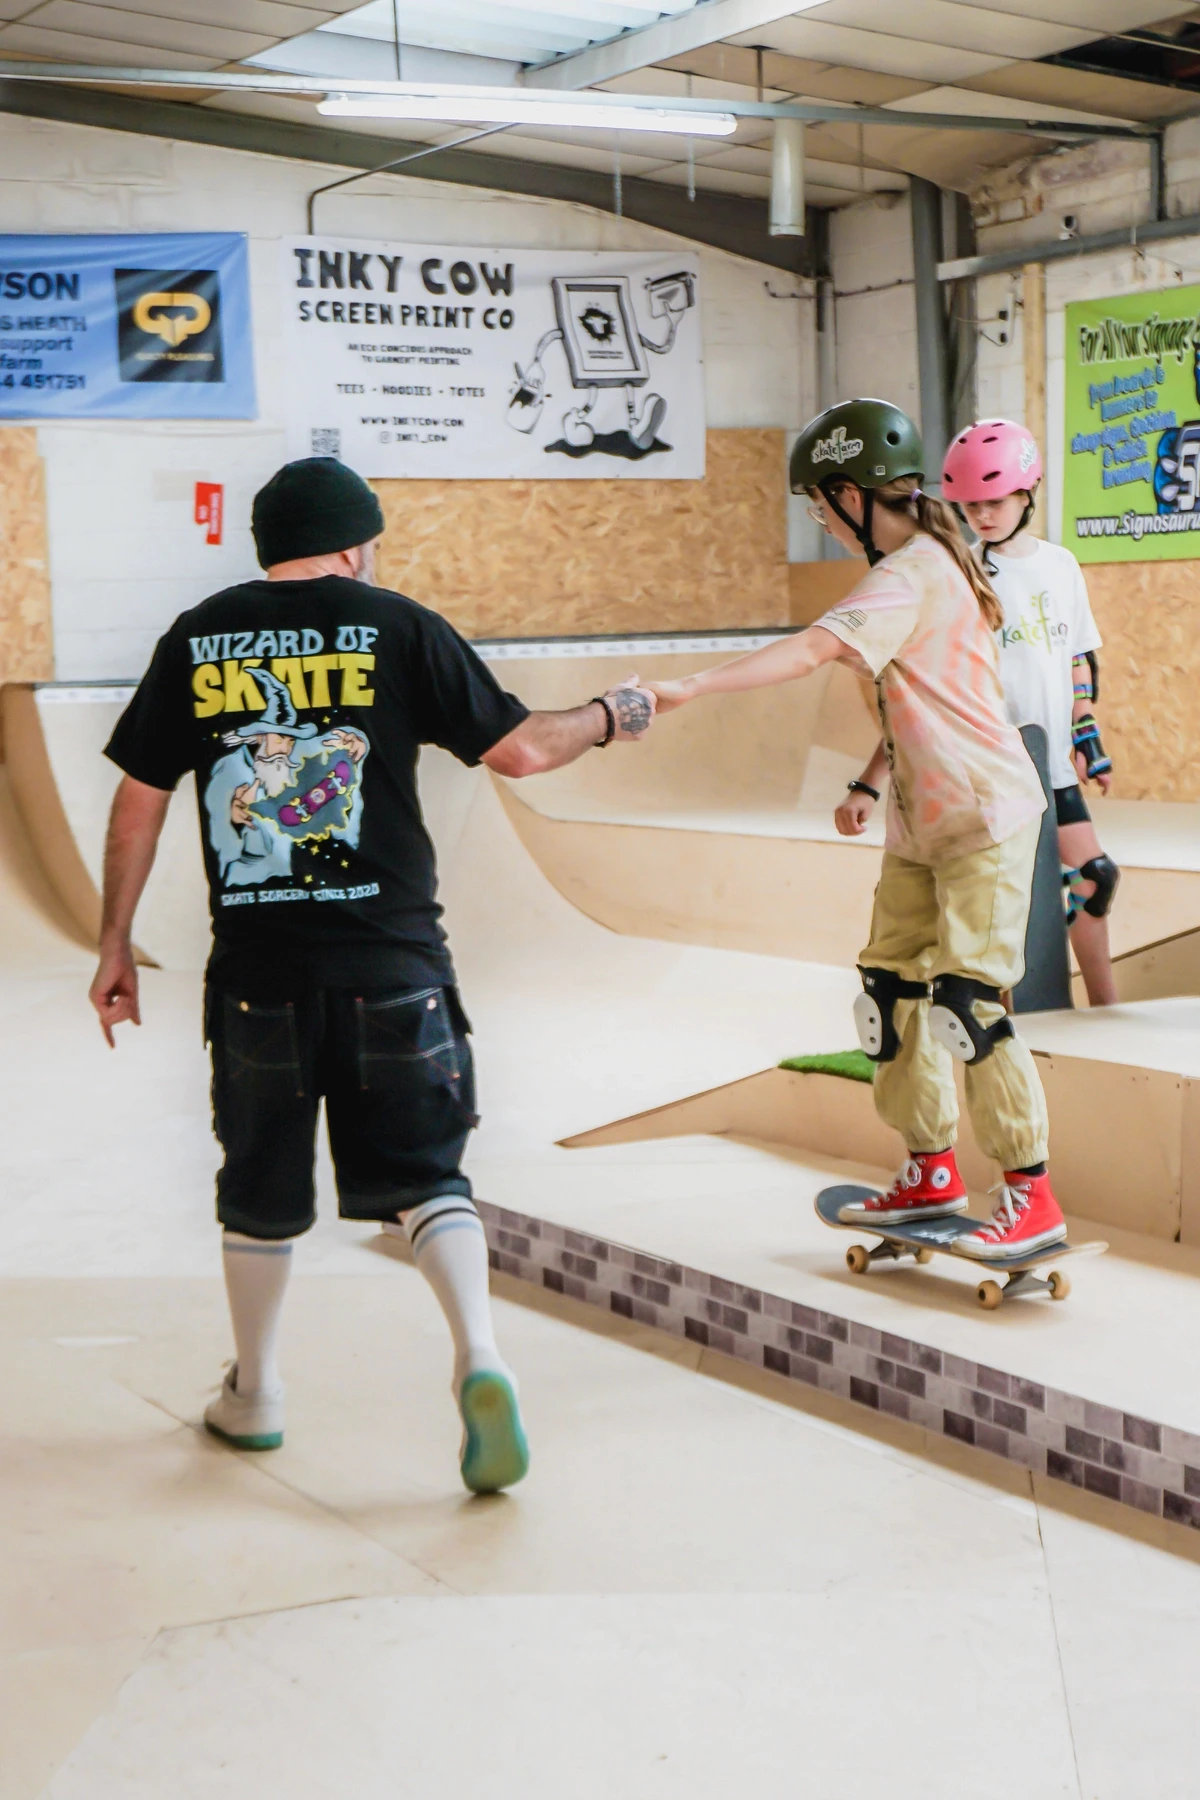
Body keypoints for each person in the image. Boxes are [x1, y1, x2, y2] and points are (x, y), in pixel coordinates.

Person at [89, 455, 656, 1493]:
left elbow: (139, 796)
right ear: (357, 542)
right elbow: (523, 752)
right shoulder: (398, 625)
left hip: (259, 970)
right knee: (429, 1179)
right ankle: (479, 1352)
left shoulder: (200, 632)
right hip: (394, 963)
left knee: (258, 1185)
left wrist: (114, 940)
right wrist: (610, 716)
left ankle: (255, 1393)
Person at [646, 398, 1068, 1258]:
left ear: (851, 492)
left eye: (820, 508)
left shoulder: (911, 570)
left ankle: (1032, 1195)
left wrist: (693, 686)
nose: (824, 527)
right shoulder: (923, 564)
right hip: (922, 822)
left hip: (985, 815)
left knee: (967, 1003)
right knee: (890, 991)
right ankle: (931, 1169)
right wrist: (870, 784)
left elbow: (810, 651)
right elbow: (924, 699)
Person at [941, 418, 1118, 1005]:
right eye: (970, 507)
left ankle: (1105, 1008)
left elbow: (1077, 657)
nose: (981, 516)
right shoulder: (963, 571)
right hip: (996, 764)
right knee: (1009, 898)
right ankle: (999, 1018)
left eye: (993, 502)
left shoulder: (1060, 565)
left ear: (1026, 493)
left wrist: (1087, 739)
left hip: (1055, 764)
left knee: (1095, 877)